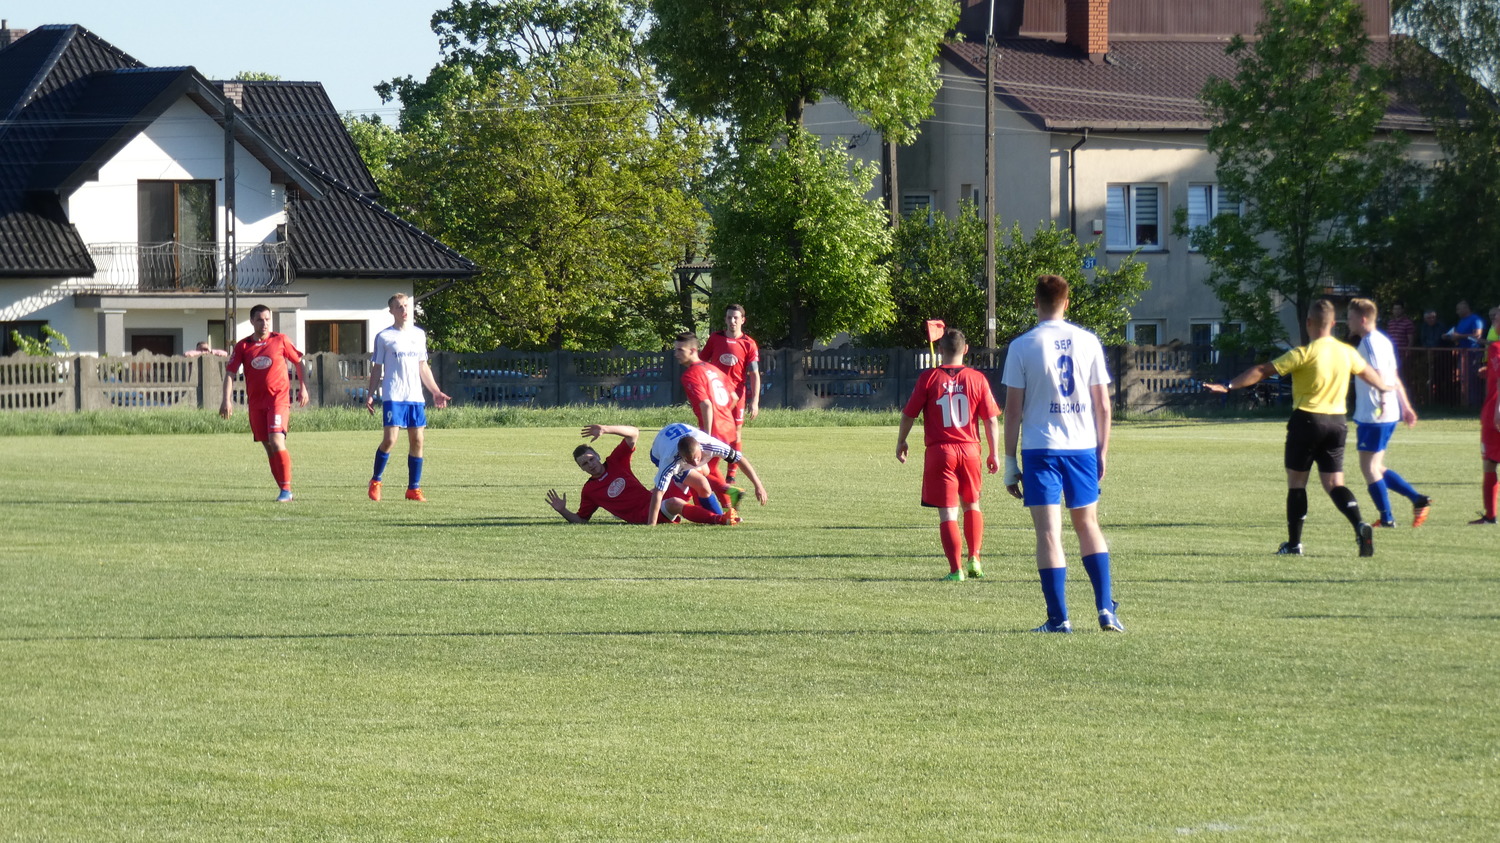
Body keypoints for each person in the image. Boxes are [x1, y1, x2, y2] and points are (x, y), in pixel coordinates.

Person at [1205, 299, 1389, 557]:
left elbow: (1262, 370)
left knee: (1297, 484)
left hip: (1307, 421)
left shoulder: (1304, 353)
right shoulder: (1347, 353)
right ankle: (1359, 524)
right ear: (1333, 324)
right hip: (1337, 423)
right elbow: (1367, 372)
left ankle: (1294, 545)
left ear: (1309, 323)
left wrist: (1229, 386)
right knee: (1335, 483)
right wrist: (1384, 387)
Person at [1002, 275, 1123, 633]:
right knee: (1088, 525)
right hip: (1082, 447)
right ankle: (1105, 609)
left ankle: (1059, 618)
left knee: (1049, 533)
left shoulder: (1022, 345)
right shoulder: (1088, 341)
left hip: (1041, 449)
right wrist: (1102, 450)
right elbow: (1103, 405)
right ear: (1067, 303)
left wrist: (1009, 461)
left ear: (1035, 303)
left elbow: (1013, 411)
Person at [895, 327, 1000, 581]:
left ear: (940, 350)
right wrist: (994, 452)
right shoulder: (977, 379)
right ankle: (974, 558)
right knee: (972, 503)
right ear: (966, 350)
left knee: (948, 511)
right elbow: (991, 420)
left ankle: (956, 570)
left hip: (941, 452)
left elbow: (909, 414)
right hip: (970, 449)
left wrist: (902, 441)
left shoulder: (929, 378)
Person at [1346, 299, 1431, 528]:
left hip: (1375, 413)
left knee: (1369, 468)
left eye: (1351, 317)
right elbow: (1394, 376)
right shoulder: (1383, 340)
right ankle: (1418, 499)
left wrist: (1384, 401)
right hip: (1386, 412)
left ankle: (1387, 518)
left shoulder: (1369, 343)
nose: (1348, 321)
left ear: (1363, 319)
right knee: (1376, 466)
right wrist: (1406, 406)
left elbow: (1380, 375)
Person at [545, 424, 736, 525]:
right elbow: (582, 520)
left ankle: (717, 514)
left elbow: (633, 433)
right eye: (585, 464)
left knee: (699, 473)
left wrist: (606, 429)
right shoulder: (589, 490)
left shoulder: (615, 461)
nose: (591, 465)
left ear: (597, 456)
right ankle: (719, 519)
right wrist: (562, 510)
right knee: (675, 503)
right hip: (643, 515)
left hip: (653, 501)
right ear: (581, 469)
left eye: (591, 459)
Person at [364, 293, 451, 502]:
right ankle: (376, 481)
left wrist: (435, 391)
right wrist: (370, 394)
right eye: (399, 307)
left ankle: (413, 489)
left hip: (414, 396)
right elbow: (377, 368)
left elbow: (423, 366)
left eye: (405, 306)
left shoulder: (419, 335)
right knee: (390, 440)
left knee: (418, 440)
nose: (403, 310)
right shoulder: (384, 337)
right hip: (394, 394)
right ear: (391, 311)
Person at [219, 304, 309, 502]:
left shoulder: (280, 340)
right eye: (260, 319)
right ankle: (284, 489)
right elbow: (230, 373)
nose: (265, 323)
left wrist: (303, 387)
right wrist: (226, 400)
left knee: (276, 440)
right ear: (252, 321)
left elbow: (299, 362)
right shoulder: (243, 346)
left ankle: (286, 490)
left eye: (267, 319)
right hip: (256, 404)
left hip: (278, 400)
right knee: (269, 446)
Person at [644, 422, 768, 526]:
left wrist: (758, 486)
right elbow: (659, 492)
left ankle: (720, 514)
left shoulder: (711, 445)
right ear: (681, 456)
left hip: (676, 435)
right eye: (690, 460)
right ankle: (721, 518)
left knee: (704, 473)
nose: (695, 463)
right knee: (702, 483)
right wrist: (651, 525)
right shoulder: (670, 461)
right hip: (658, 452)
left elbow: (739, 459)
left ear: (700, 448)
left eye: (697, 458)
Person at [701, 304, 761, 483]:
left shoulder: (749, 343)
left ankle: (731, 474)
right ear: (725, 319)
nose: (732, 321)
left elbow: (754, 374)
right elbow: (701, 363)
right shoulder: (715, 338)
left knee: (736, 433)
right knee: (714, 432)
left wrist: (755, 401)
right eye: (729, 317)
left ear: (743, 320)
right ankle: (710, 470)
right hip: (716, 394)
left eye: (736, 318)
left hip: (738, 395)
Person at [674, 331, 737, 497]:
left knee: (694, 471)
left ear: (693, 350)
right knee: (709, 469)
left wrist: (706, 437)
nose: (676, 354)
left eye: (680, 350)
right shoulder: (713, 369)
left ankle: (718, 505)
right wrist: (723, 414)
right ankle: (729, 499)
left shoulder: (690, 375)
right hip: (728, 427)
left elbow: (706, 405)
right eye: (675, 350)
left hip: (714, 430)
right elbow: (734, 397)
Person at [1472, 306, 1500, 525]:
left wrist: (1498, 409)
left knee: (1490, 463)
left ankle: (1491, 515)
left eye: (1497, 318)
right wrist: (1488, 372)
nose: (1494, 322)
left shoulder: (1496, 348)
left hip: (1494, 413)